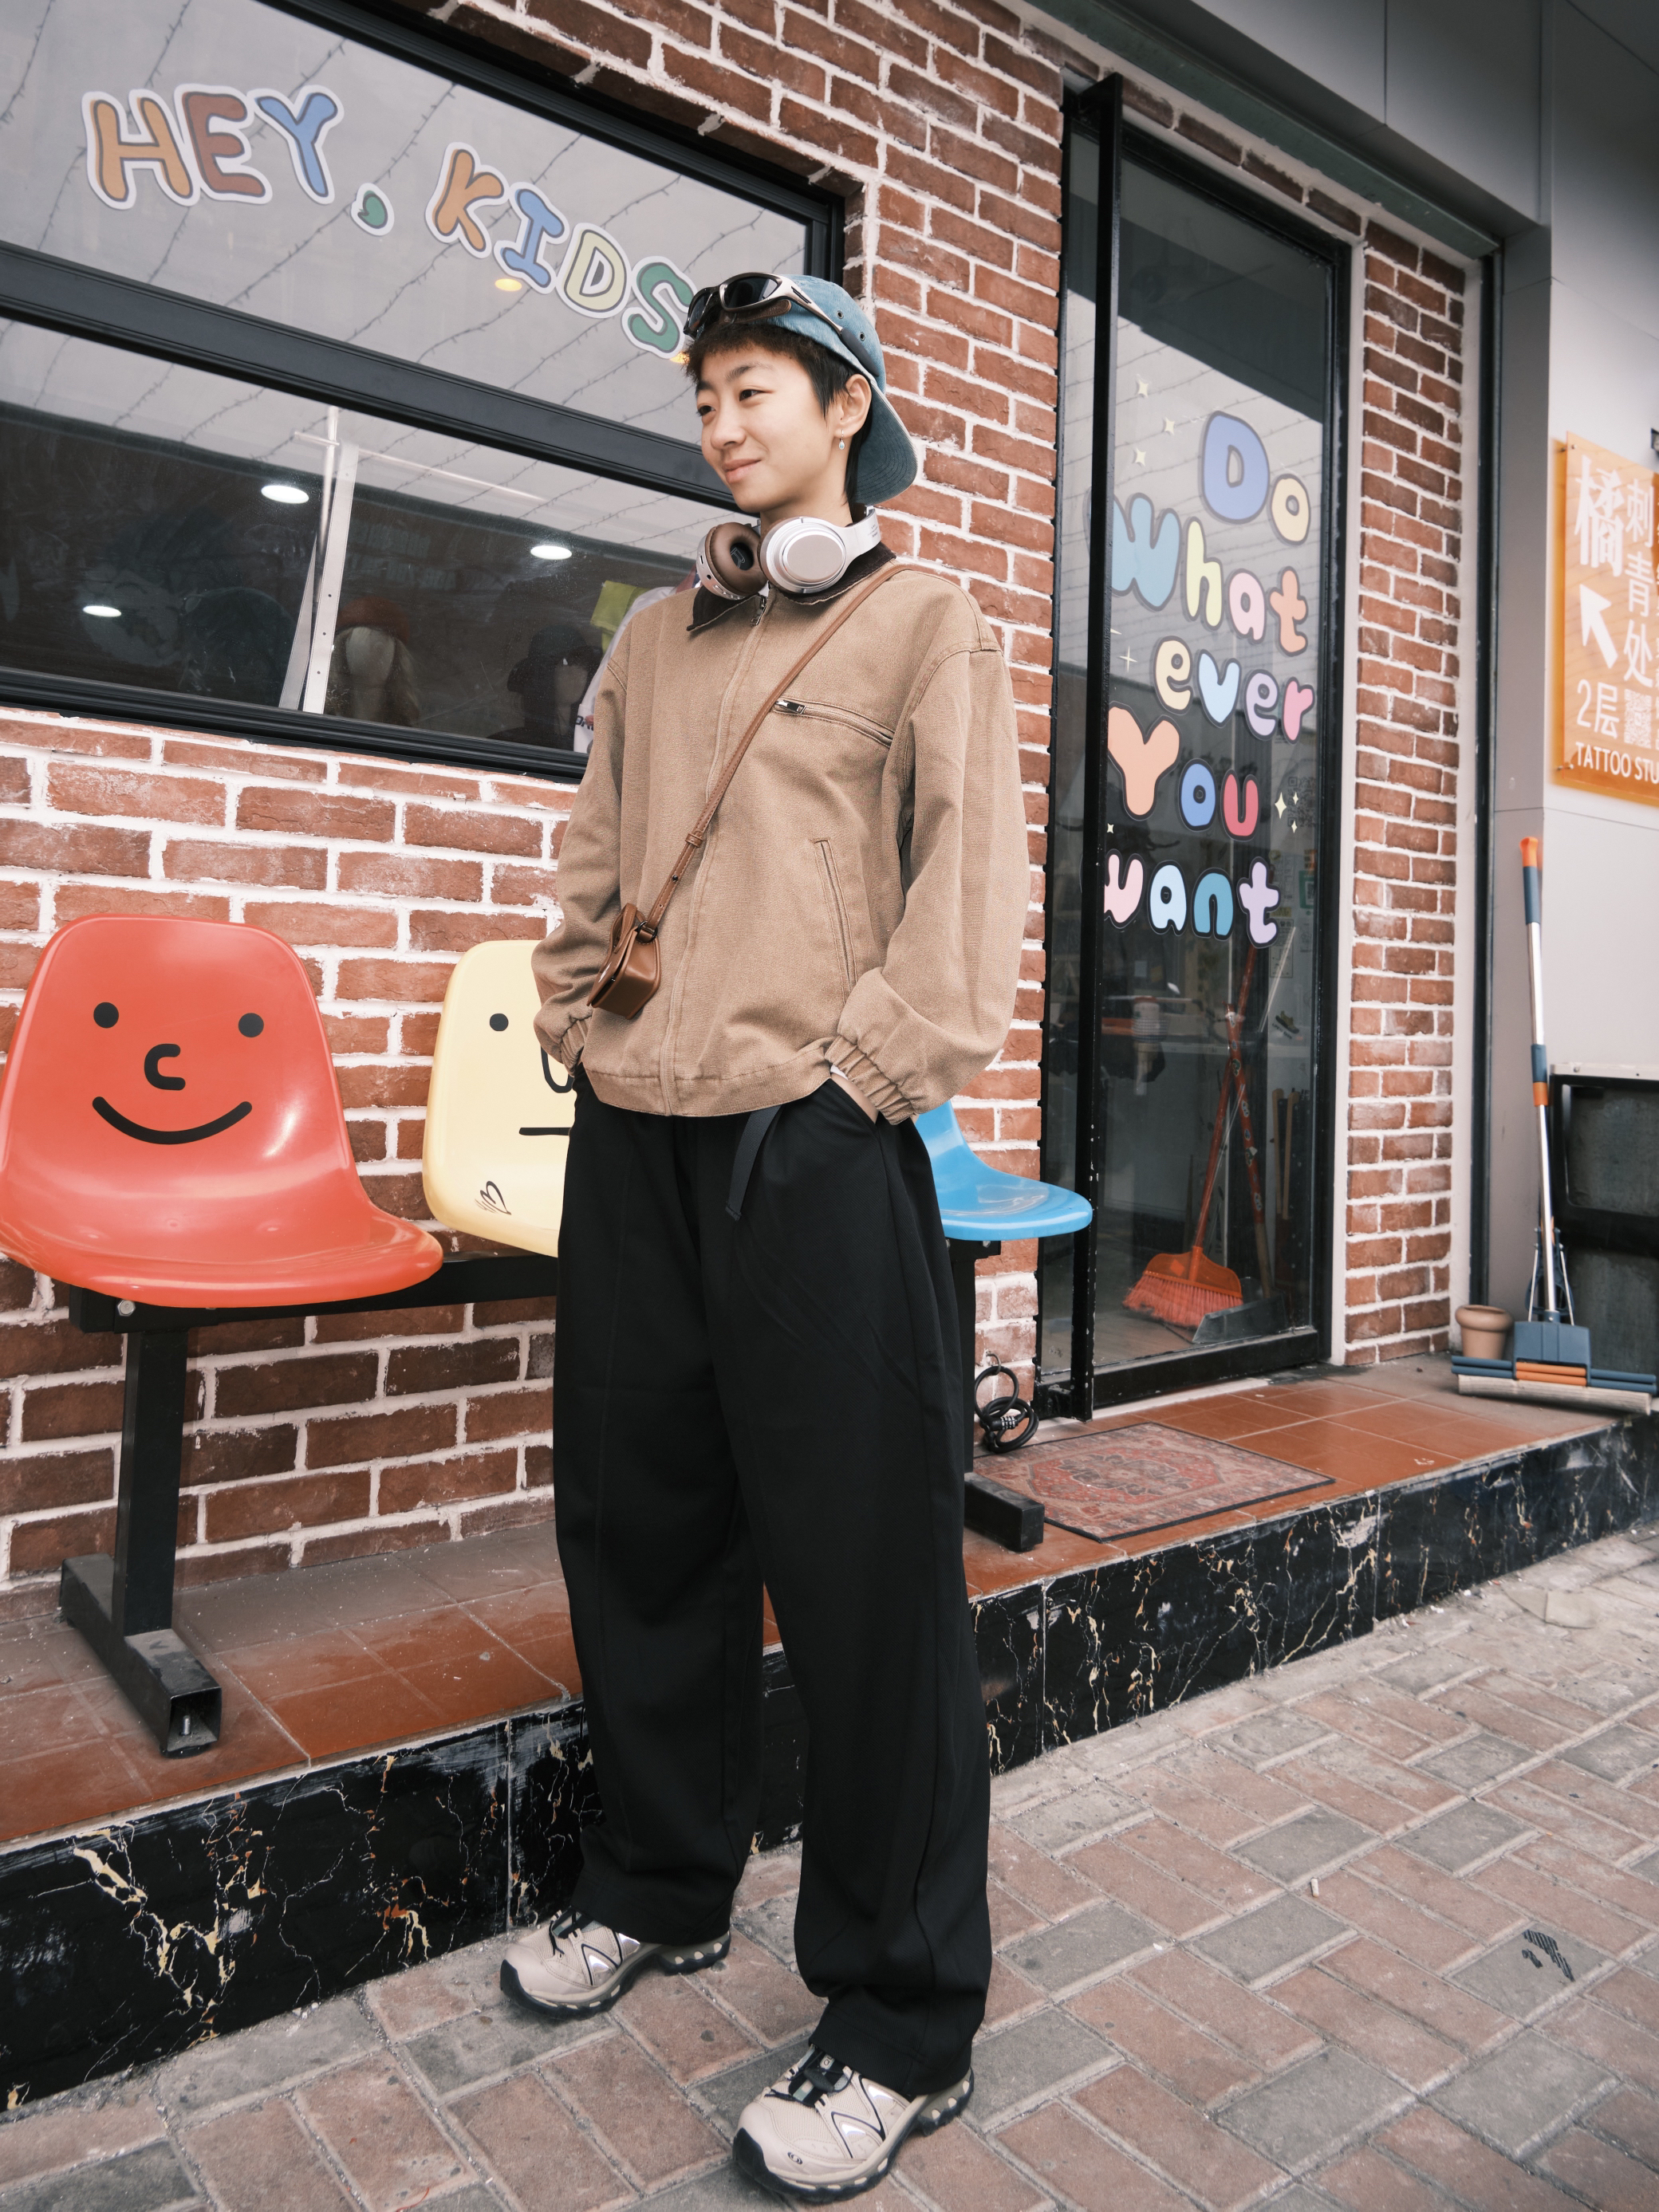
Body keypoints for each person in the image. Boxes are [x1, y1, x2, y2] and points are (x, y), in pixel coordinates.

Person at [510, 273, 1029, 2202]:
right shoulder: (655, 634)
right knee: (639, 1524)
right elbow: (592, 853)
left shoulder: (922, 620)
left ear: (844, 408)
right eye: (707, 399)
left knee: (866, 1571)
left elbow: (964, 882)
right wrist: (574, 1021)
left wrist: (858, 1080)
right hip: (635, 1132)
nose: (724, 426)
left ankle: (904, 2017)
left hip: (814, 1142)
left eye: (755, 393)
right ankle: (659, 1881)